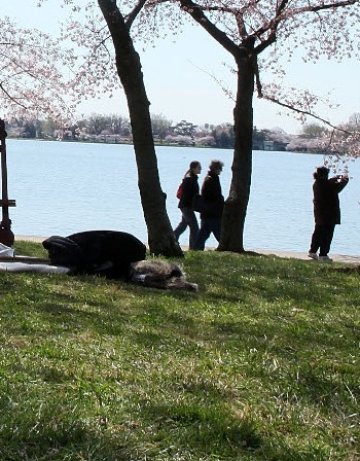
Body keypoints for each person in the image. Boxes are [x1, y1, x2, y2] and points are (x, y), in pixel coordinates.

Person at [308, 166, 349, 261]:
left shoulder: (317, 183)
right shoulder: (327, 185)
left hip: (319, 213)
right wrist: (345, 179)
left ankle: (312, 251)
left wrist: (335, 178)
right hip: (329, 214)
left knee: (318, 232)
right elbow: (338, 187)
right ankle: (323, 254)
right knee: (327, 234)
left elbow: (329, 183)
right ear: (325, 175)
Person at [195, 159, 224, 250]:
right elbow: (213, 195)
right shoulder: (212, 179)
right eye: (220, 169)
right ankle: (225, 247)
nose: (221, 171)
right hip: (213, 212)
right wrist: (221, 201)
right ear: (216, 169)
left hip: (207, 212)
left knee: (203, 234)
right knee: (218, 233)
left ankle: (196, 249)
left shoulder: (210, 178)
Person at [173, 161, 202, 250]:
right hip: (186, 206)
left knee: (183, 226)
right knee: (194, 227)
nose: (200, 169)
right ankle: (193, 248)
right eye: (199, 167)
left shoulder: (192, 178)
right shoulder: (189, 179)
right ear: (194, 168)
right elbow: (188, 194)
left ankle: (172, 239)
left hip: (187, 206)